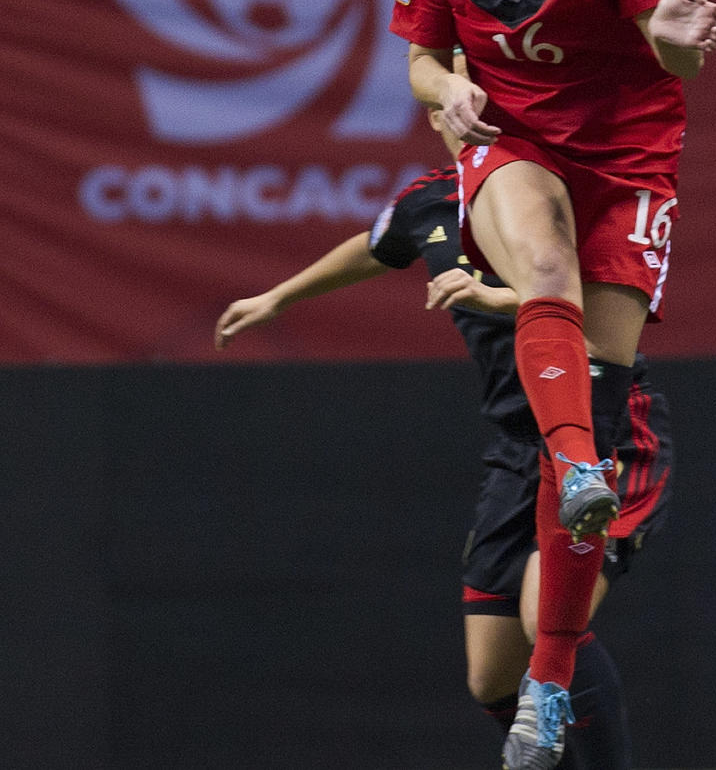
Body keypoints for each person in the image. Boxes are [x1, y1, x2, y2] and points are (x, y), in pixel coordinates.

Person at [389, 0, 716, 768]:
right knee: (546, 272)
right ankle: (579, 463)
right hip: (516, 143)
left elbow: (672, 43)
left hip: (625, 156)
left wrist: (675, 37)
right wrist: (448, 88)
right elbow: (420, 59)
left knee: (600, 378)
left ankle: (548, 686)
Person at [214, 109, 672, 770]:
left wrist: (495, 297)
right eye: (456, 89)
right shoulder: (431, 197)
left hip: (604, 427)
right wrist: (280, 296)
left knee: (547, 619)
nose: (472, 107)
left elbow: (586, 298)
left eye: (487, 91)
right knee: (491, 677)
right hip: (517, 447)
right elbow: (377, 244)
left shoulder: (551, 193)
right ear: (437, 110)